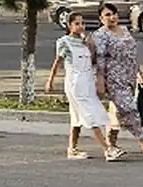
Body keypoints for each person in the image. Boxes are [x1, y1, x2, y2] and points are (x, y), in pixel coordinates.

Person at [44, 11, 116, 160]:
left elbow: (94, 60)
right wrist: (50, 80)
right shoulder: (64, 41)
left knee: (77, 117)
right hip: (75, 84)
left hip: (87, 82)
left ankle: (72, 148)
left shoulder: (85, 42)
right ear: (70, 25)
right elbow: (57, 62)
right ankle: (107, 148)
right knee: (90, 116)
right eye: (77, 23)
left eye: (82, 23)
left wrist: (89, 44)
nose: (81, 26)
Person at [91, 3, 143, 159]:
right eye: (107, 15)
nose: (112, 17)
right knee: (129, 109)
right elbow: (100, 59)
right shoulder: (100, 35)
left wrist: (138, 73)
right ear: (101, 18)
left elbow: (132, 55)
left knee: (119, 113)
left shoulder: (125, 31)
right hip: (113, 77)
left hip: (129, 75)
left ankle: (111, 144)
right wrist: (100, 81)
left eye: (114, 14)